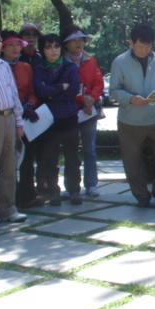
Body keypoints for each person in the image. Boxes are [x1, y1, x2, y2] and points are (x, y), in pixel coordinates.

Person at [109, 23, 155, 207]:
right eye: (140, 46)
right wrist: (131, 99)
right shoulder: (120, 62)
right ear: (131, 42)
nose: (144, 50)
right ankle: (142, 196)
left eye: (148, 46)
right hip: (130, 121)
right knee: (132, 163)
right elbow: (113, 90)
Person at [33, 33, 83, 206]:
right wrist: (61, 86)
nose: (53, 50)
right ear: (42, 50)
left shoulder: (69, 67)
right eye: (48, 47)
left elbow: (74, 90)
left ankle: (74, 190)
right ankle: (54, 192)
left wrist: (51, 92)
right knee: (50, 157)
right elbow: (40, 91)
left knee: (72, 156)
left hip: (68, 116)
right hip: (49, 119)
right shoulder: (39, 68)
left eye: (56, 46)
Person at [0, 28, 27, 230]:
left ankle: (7, 209)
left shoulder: (3, 66)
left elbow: (14, 96)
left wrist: (18, 123)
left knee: (9, 165)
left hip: (8, 117)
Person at [0, 30, 42, 208]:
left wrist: (31, 104)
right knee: (3, 160)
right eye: (11, 44)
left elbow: (33, 90)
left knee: (26, 157)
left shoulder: (26, 67)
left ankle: (27, 195)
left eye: (18, 44)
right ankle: (3, 200)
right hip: (4, 115)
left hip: (24, 116)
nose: (16, 48)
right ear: (2, 47)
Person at [61, 25, 105, 197]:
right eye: (74, 40)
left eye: (81, 39)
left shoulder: (90, 60)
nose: (78, 43)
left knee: (90, 149)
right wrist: (83, 99)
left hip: (88, 112)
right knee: (69, 150)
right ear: (66, 44)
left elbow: (98, 82)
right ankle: (71, 186)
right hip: (69, 111)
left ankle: (92, 184)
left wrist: (91, 98)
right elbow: (65, 87)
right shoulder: (62, 62)